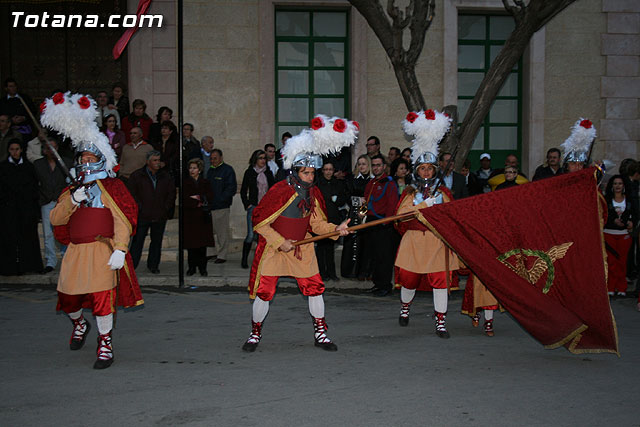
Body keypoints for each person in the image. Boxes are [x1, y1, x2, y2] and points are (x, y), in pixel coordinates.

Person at [41, 92, 142, 369]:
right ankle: (79, 325)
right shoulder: (72, 189)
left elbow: (123, 220)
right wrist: (73, 200)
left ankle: (105, 343)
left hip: (102, 251)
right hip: (75, 252)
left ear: (99, 159)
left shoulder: (113, 187)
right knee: (68, 299)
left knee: (102, 300)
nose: (85, 163)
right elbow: (55, 219)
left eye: (89, 158)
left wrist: (121, 249)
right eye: (82, 158)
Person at [242, 115, 357, 352]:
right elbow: (259, 221)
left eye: (312, 173)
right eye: (306, 173)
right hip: (276, 248)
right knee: (264, 292)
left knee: (315, 288)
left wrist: (336, 229)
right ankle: (255, 334)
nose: (311, 177)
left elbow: (317, 225)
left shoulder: (313, 194)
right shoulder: (279, 190)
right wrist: (279, 241)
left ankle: (321, 333)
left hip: (302, 247)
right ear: (295, 172)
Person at [395, 109, 458, 338]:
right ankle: (404, 308)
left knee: (440, 282)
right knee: (409, 280)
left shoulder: (443, 192)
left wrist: (439, 207)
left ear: (435, 170)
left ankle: (440, 321)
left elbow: (452, 217)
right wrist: (422, 205)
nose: (427, 171)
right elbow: (401, 215)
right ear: (417, 170)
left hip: (436, 243)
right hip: (413, 242)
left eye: (430, 168)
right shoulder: (410, 192)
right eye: (423, 168)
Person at [128, 150, 177, 273]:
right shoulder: (137, 175)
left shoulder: (165, 176)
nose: (157, 163)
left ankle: (153, 265)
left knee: (156, 242)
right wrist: (140, 207)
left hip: (159, 214)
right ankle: (132, 266)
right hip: (143, 215)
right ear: (148, 162)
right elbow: (132, 194)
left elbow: (171, 194)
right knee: (137, 241)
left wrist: (165, 208)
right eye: (154, 160)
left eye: (158, 160)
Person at [0, 140, 43, 275]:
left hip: (26, 209)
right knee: (8, 238)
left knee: (28, 237)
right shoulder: (3, 167)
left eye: (17, 149)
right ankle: (9, 268)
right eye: (12, 149)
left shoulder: (28, 167)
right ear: (8, 150)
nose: (15, 152)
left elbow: (34, 187)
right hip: (8, 209)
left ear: (21, 150)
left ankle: (29, 266)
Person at [362, 154, 399, 296]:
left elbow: (392, 205)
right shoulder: (371, 183)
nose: (376, 168)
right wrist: (361, 213)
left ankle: (385, 286)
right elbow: (366, 202)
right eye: (374, 165)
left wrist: (386, 222)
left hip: (383, 224)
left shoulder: (389, 183)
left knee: (384, 257)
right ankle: (377, 284)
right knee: (374, 256)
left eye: (378, 165)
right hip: (371, 223)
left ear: (384, 167)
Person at [34, 137, 71, 273]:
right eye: (48, 148)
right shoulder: (38, 164)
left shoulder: (65, 163)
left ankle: (66, 258)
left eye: (54, 147)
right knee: (48, 233)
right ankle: (50, 261)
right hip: (46, 201)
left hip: (62, 201)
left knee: (63, 230)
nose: (51, 150)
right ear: (44, 150)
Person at [240, 149, 275, 268]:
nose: (263, 161)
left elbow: (273, 190)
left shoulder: (268, 173)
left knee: (264, 234)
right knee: (250, 234)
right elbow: (243, 190)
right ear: (255, 159)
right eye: (260, 158)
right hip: (254, 207)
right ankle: (244, 260)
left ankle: (262, 260)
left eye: (264, 158)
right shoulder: (249, 172)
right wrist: (247, 204)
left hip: (265, 208)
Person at [341, 154, 373, 279]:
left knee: (365, 242)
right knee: (351, 241)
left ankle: (364, 271)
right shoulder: (352, 179)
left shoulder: (372, 180)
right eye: (359, 164)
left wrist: (364, 206)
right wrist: (358, 202)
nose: (361, 166)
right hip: (353, 213)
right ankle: (350, 271)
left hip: (367, 214)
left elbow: (371, 198)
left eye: (364, 163)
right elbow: (347, 196)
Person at [316, 161, 348, 281]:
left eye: (330, 169)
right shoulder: (318, 184)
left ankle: (332, 273)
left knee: (330, 247)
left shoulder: (338, 183)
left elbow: (343, 199)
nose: (328, 171)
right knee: (320, 247)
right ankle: (322, 273)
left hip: (333, 218)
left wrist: (337, 199)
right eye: (326, 169)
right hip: (321, 219)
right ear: (322, 170)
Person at [183, 158, 215, 276]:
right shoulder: (185, 183)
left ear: (199, 169)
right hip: (190, 217)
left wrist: (198, 198)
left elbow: (209, 196)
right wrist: (198, 200)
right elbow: (185, 199)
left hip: (203, 217)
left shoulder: (205, 182)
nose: (192, 170)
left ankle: (202, 268)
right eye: (190, 168)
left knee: (202, 246)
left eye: (194, 168)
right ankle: (192, 267)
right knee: (191, 246)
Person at [603, 175, 634, 297]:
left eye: (620, 183)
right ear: (612, 186)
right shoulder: (606, 200)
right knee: (611, 262)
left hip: (624, 235)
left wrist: (631, 222)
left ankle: (621, 287)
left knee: (622, 262)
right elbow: (604, 215)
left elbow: (635, 214)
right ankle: (610, 287)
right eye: (615, 183)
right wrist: (613, 221)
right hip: (609, 233)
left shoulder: (630, 200)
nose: (617, 186)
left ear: (624, 186)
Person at [207, 148, 237, 264]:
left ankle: (222, 255)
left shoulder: (227, 170)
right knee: (211, 232)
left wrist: (220, 200)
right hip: (211, 207)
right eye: (211, 159)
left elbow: (231, 188)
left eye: (215, 158)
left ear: (221, 158)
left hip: (221, 207)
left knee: (222, 232)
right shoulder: (210, 171)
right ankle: (211, 253)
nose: (213, 161)